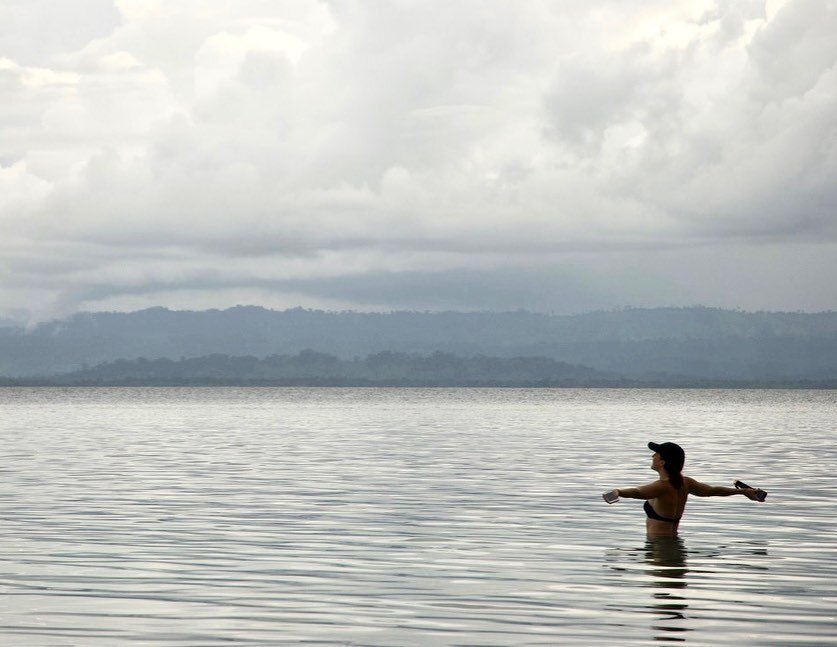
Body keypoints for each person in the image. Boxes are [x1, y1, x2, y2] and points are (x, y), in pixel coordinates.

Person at [607, 442, 764, 536]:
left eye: (656, 454)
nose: (652, 456)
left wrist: (618, 492)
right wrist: (743, 492)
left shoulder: (661, 486)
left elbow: (638, 492)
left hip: (659, 546)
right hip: (672, 541)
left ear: (662, 462)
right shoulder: (685, 483)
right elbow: (712, 491)